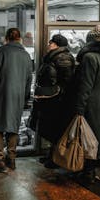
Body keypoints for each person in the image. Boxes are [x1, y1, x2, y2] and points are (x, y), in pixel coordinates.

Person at [0, 28, 33, 172]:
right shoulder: (25, 55)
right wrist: (25, 96)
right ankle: (11, 158)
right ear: (19, 39)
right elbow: (29, 78)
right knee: (13, 126)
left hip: (1, 93)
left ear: (6, 38)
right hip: (18, 95)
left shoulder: (1, 52)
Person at [74, 25, 100, 183]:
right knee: (98, 135)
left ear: (90, 40)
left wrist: (79, 107)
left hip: (90, 101)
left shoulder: (89, 58)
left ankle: (88, 171)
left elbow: (86, 85)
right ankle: (91, 168)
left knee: (87, 135)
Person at [33, 34, 75, 168]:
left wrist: (59, 92)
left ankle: (55, 158)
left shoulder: (63, 58)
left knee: (55, 129)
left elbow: (67, 80)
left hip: (58, 100)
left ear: (56, 44)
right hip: (51, 98)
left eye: (50, 43)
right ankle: (51, 155)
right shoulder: (54, 56)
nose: (48, 45)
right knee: (50, 129)